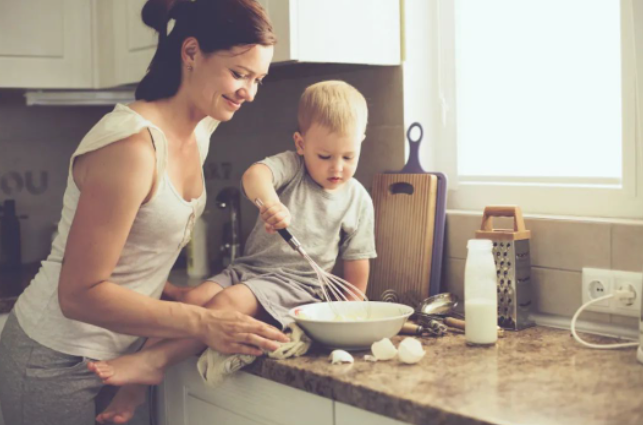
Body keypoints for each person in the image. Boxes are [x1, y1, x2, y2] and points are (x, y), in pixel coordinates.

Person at [0, 1, 291, 424]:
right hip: (53, 361)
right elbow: (78, 293)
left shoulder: (202, 127)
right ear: (190, 53)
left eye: (258, 78)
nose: (249, 91)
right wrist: (202, 323)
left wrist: (172, 293)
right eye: (239, 74)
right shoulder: (132, 147)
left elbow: (131, 252)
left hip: (122, 354)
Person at [86, 79, 377, 419]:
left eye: (349, 156)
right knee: (192, 303)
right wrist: (269, 202)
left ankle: (154, 360)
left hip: (298, 285)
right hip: (249, 269)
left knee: (225, 305)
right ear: (300, 144)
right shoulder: (292, 168)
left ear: (361, 144)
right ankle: (132, 392)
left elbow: (357, 277)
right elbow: (255, 176)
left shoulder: (358, 200)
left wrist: (346, 321)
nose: (337, 167)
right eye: (325, 156)